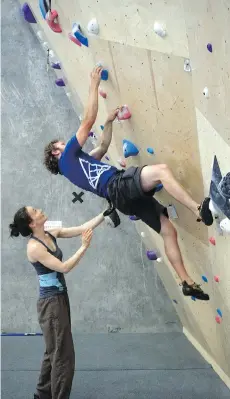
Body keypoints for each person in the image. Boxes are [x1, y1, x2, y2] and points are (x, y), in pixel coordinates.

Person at [43, 66, 214, 301]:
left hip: (120, 199)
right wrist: (93, 84)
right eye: (61, 144)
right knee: (162, 171)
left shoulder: (75, 166)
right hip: (118, 185)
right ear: (55, 152)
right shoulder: (67, 158)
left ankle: (186, 281)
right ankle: (199, 209)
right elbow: (88, 122)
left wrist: (109, 121)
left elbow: (102, 147)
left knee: (168, 231)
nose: (65, 143)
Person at [9, 203, 115, 399]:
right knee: (63, 355)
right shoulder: (34, 248)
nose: (40, 210)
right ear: (32, 223)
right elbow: (64, 267)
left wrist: (103, 214)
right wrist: (84, 247)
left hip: (59, 298)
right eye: (35, 211)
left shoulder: (50, 233)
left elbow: (82, 228)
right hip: (50, 304)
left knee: (53, 351)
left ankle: (42, 395)